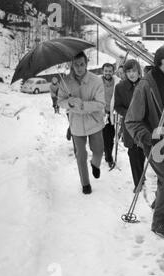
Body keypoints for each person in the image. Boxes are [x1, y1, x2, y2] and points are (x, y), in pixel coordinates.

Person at [126, 45, 164, 240]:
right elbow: (131, 121)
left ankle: (161, 204)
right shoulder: (146, 86)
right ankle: (158, 222)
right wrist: (150, 137)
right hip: (154, 141)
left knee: (163, 179)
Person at [58, 52, 106, 195]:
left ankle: (95, 164)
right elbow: (61, 101)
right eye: (76, 64)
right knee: (80, 154)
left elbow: (100, 103)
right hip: (76, 124)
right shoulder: (65, 82)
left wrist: (83, 105)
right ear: (71, 65)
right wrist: (70, 102)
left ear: (86, 64)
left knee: (98, 151)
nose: (79, 68)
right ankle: (85, 184)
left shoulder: (96, 81)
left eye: (82, 64)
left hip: (95, 122)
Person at [114, 59, 145, 191]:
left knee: (142, 152)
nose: (131, 74)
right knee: (132, 153)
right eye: (128, 71)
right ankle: (137, 182)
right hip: (129, 126)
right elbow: (117, 106)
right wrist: (130, 114)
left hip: (144, 125)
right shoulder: (120, 87)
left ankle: (141, 175)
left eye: (134, 71)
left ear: (139, 71)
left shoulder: (145, 85)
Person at [101, 63, 120, 168]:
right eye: (106, 71)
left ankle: (107, 152)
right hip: (101, 114)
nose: (108, 73)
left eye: (110, 71)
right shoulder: (97, 82)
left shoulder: (117, 82)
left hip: (112, 113)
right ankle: (109, 157)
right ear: (102, 71)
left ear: (113, 72)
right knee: (105, 137)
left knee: (111, 137)